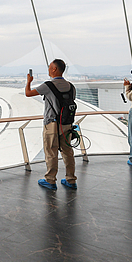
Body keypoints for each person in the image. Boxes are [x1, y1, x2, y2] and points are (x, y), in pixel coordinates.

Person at [25, 59, 77, 191]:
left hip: (52, 124)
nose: (48, 69)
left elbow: (28, 93)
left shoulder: (48, 85)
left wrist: (29, 82)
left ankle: (50, 180)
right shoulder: (71, 86)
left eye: (50, 67)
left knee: (51, 152)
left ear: (54, 69)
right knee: (67, 151)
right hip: (66, 123)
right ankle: (71, 180)